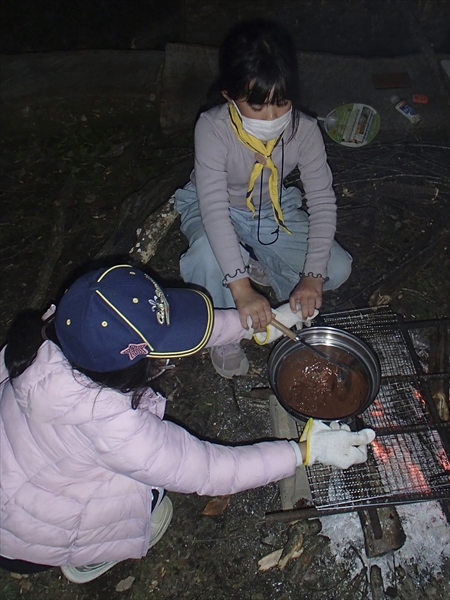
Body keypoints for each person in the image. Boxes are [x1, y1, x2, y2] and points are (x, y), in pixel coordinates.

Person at [0, 264, 375, 584]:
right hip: (20, 533)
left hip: (26, 471)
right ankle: (84, 555)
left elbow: (180, 330)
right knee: (152, 498)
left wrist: (256, 325)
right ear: (132, 369)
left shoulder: (55, 334)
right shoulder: (116, 430)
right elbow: (212, 469)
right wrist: (306, 450)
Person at [174, 18, 352, 378]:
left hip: (271, 207)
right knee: (207, 258)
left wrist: (313, 276)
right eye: (257, 107)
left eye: (282, 102)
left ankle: (287, 299)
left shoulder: (304, 130)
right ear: (229, 95)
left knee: (337, 266)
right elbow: (212, 208)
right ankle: (224, 331)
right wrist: (240, 288)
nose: (272, 117)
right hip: (215, 204)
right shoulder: (213, 128)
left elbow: (321, 200)